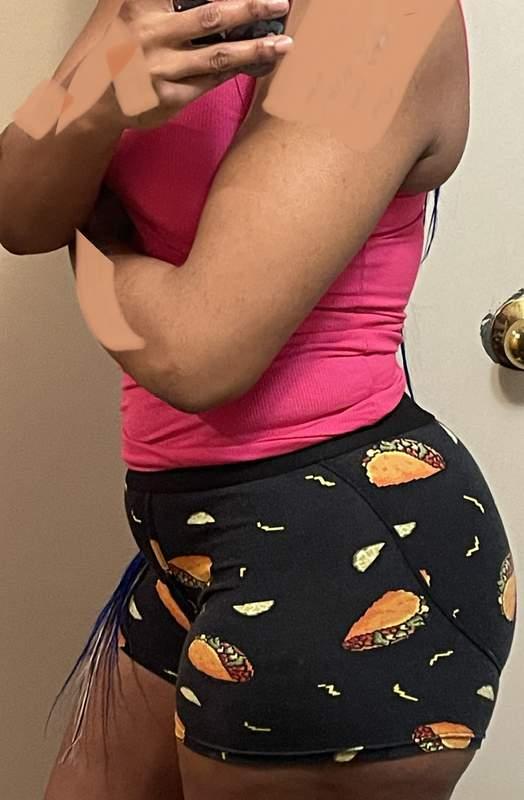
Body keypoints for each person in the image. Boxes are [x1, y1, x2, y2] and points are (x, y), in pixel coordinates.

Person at [0, 1, 517, 799]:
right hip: (192, 541)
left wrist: (92, 222)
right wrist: (100, 104)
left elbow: (194, 353)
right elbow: (19, 208)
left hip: (344, 546)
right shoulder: (146, 5)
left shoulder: (374, 18)